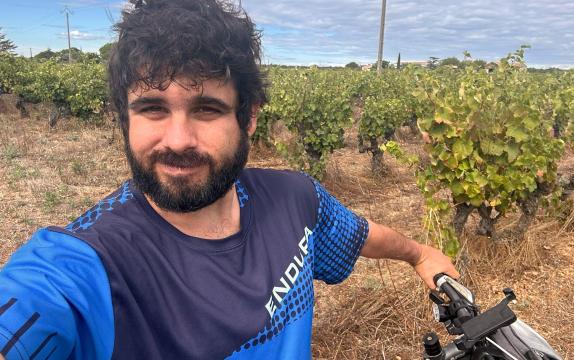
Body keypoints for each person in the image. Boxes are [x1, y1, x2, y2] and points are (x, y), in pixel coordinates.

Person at [0, 1, 459, 359]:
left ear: (249, 117)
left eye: (207, 109)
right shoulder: (85, 265)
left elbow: (360, 235)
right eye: (153, 108)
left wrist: (420, 254)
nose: (177, 140)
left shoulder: (295, 199)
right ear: (125, 118)